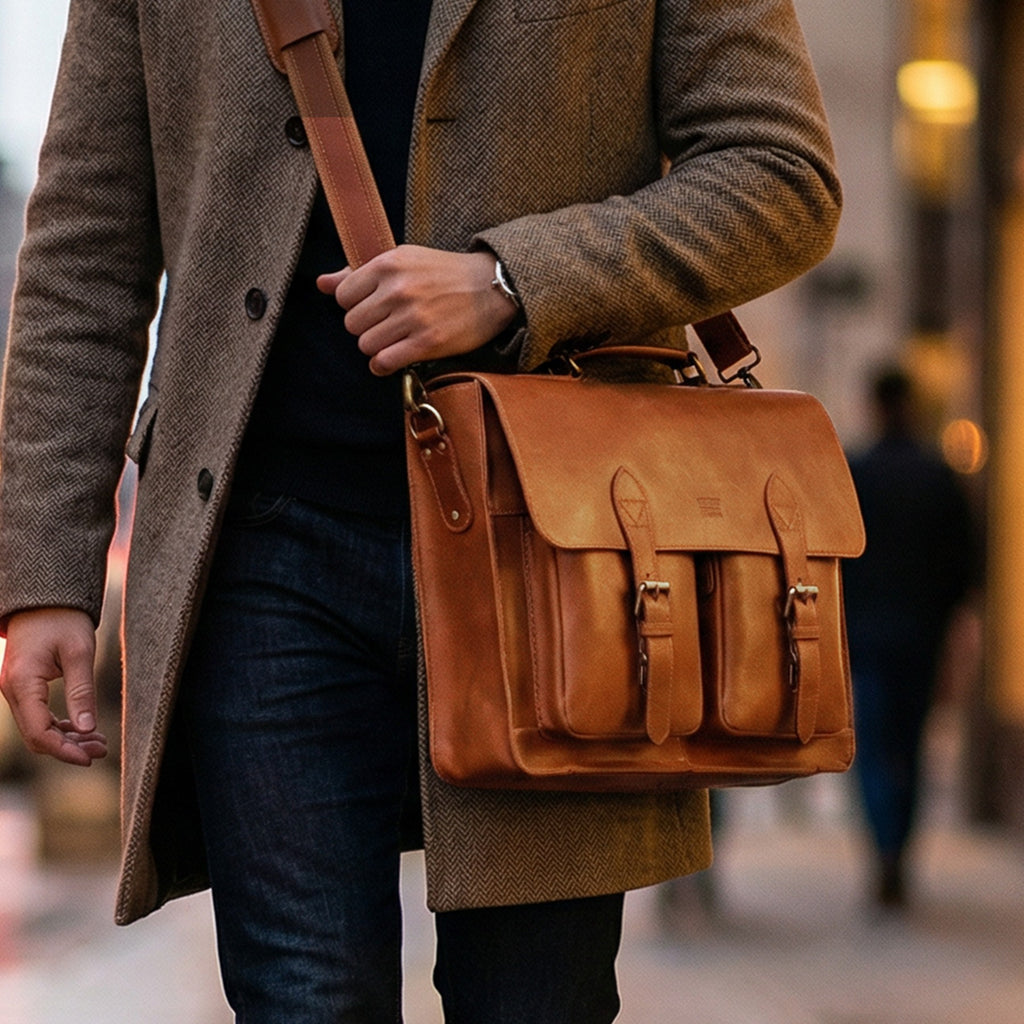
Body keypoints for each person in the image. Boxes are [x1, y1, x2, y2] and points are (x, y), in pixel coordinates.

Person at [0, 1, 841, 1019]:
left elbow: (780, 172)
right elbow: (86, 252)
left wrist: (513, 280)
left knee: (536, 1001)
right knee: (303, 999)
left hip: (558, 553)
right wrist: (45, 570)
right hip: (261, 552)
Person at [843, 367, 974, 911]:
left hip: (866, 639)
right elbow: (964, 566)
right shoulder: (939, 477)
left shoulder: (856, 473)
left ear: (874, 406)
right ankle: (899, 850)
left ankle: (883, 847)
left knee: (872, 749)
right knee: (911, 748)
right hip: (921, 637)